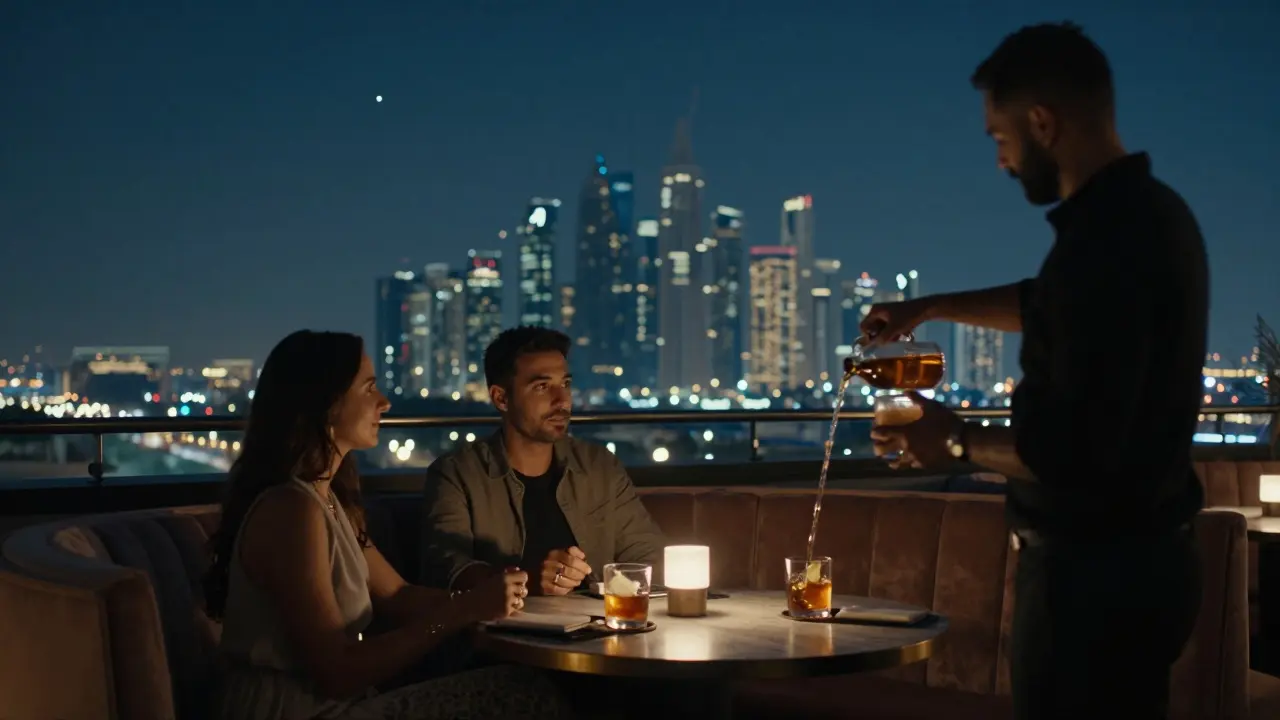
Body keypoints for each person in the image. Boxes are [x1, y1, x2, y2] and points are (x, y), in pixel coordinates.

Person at [862, 23, 1207, 720]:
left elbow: (1076, 449)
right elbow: (1051, 306)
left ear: (1042, 122)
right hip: (1143, 567)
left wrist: (952, 443)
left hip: (1091, 584)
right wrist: (929, 308)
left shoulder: (1105, 243)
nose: (1001, 160)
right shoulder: (1149, 217)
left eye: (1000, 138)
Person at [204, 330, 571, 720]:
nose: (384, 401)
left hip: (337, 702)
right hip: (299, 709)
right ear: (326, 403)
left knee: (526, 685)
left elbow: (395, 595)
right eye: (369, 388)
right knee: (530, 696)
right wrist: (460, 612)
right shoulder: (291, 510)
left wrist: (500, 604)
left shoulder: (329, 501)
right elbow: (337, 672)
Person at [421, 326, 665, 596]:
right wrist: (525, 583)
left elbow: (647, 553)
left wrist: (615, 596)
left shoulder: (599, 466)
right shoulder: (457, 474)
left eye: (566, 384)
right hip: (505, 631)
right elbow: (446, 566)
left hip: (600, 626)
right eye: (542, 387)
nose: (562, 400)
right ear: (501, 398)